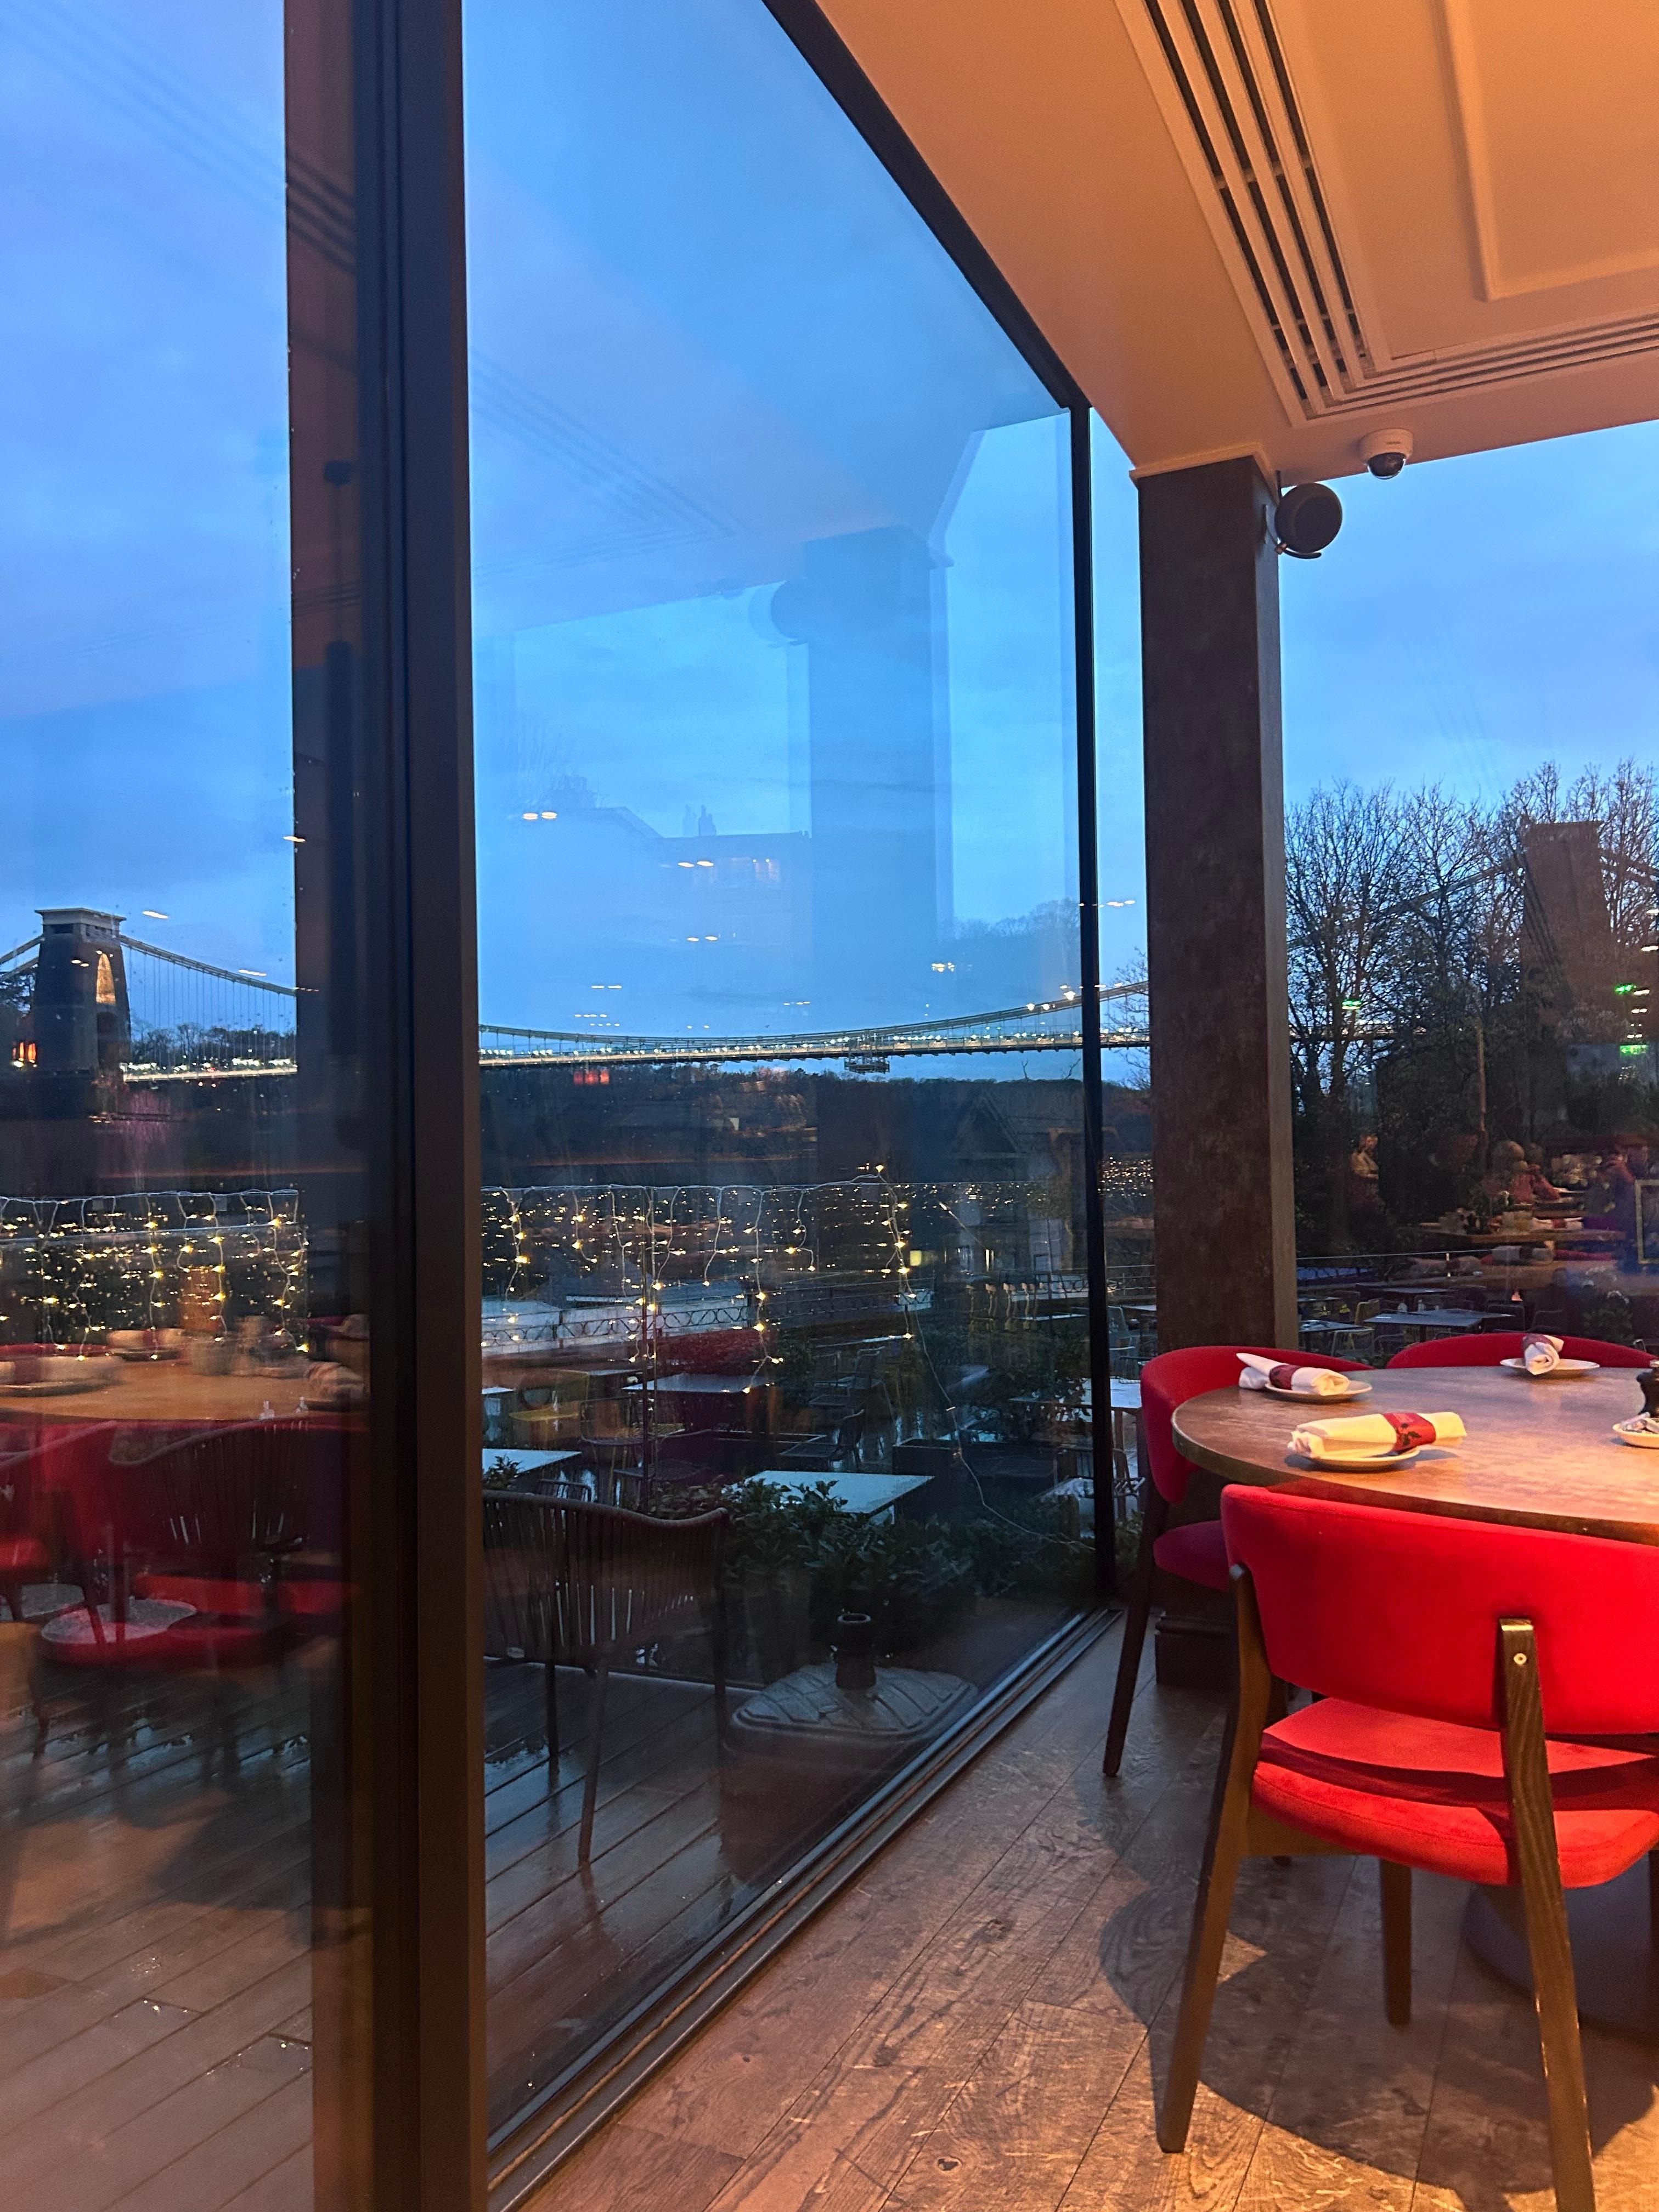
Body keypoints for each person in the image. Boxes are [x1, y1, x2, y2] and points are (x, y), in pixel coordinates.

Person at [1347, 1132, 1381, 1215]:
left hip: (1372, 1194)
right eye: (1369, 1142)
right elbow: (1361, 1174)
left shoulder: (1374, 1158)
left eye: (1373, 1142)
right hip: (1361, 1194)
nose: (1371, 1145)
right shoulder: (1357, 1157)